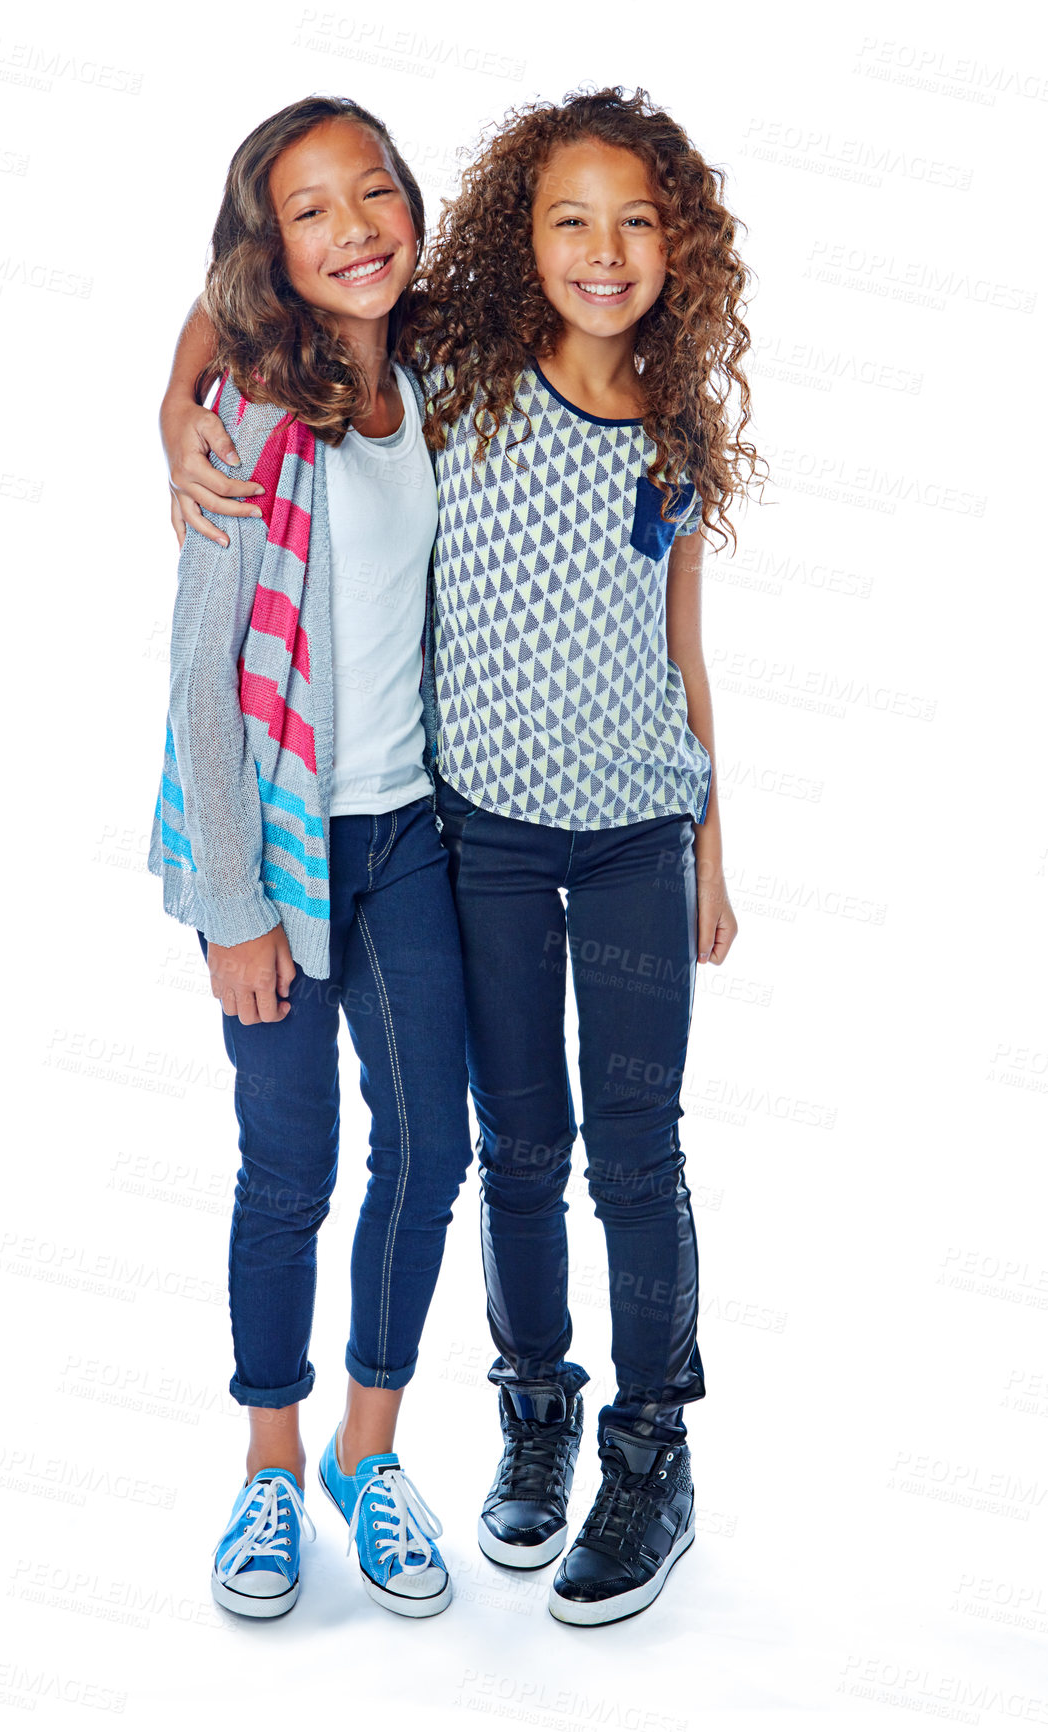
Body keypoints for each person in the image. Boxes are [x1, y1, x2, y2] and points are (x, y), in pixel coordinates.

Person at [161, 86, 761, 1626]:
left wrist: (715, 832)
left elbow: (683, 641)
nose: (602, 251)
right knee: (402, 1158)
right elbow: (257, 301)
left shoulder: (568, 400)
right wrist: (179, 400)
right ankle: (398, 1447)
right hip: (390, 847)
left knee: (552, 1151)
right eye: (567, 219)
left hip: (536, 834)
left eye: (635, 222)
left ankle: (589, 1447)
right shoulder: (355, 387)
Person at [147, 95, 473, 1621]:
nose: (354, 228)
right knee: (289, 1171)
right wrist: (231, 907)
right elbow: (200, 681)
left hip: (409, 837)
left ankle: (366, 1452)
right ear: (269, 245)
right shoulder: (251, 423)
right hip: (278, 852)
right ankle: (270, 1468)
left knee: (428, 1155)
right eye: (310, 209)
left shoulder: (438, 381)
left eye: (374, 192)